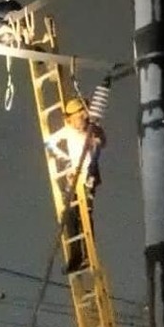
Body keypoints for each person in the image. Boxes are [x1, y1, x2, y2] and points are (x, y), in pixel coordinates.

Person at [45, 96, 107, 272]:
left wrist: (96, 140)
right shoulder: (68, 130)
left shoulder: (92, 130)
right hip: (75, 175)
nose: (81, 120)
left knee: (85, 214)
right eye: (78, 117)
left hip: (88, 176)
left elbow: (101, 144)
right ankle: (76, 255)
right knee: (70, 215)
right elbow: (49, 143)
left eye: (83, 116)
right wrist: (65, 161)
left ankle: (88, 254)